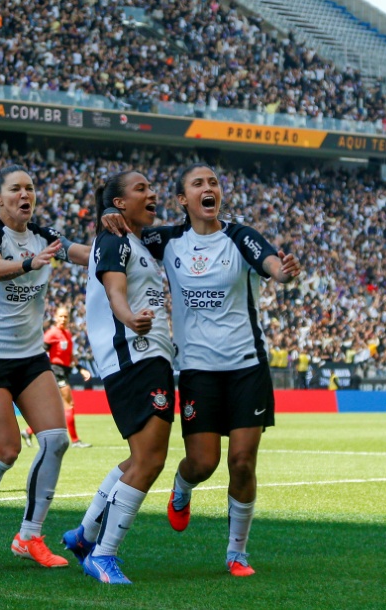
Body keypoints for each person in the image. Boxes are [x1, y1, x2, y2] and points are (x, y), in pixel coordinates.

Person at [104, 162, 301, 576]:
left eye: (213, 182)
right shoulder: (169, 239)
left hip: (247, 366)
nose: (208, 188)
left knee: (243, 462)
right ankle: (181, 488)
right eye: (199, 184)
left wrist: (282, 273)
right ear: (183, 199)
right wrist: (110, 218)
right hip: (197, 370)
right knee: (203, 463)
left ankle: (237, 553)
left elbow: (269, 263)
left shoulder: (239, 236)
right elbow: (126, 241)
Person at [0, 165, 92, 570]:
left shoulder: (44, 236)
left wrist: (118, 245)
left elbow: (81, 252)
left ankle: (29, 535)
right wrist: (32, 264)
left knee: (56, 439)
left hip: (29, 357)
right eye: (16, 188)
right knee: (7, 450)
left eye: (30, 188)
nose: (25, 194)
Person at [63, 171, 175, 585]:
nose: (152, 193)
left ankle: (84, 535)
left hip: (148, 357)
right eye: (141, 189)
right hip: (134, 357)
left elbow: (81, 255)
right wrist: (131, 319)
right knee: (150, 460)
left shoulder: (134, 240)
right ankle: (103, 555)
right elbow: (113, 292)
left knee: (138, 458)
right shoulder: (114, 240)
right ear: (119, 203)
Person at [21, 306, 90, 449]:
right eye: (61, 316)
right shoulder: (52, 334)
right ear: (55, 317)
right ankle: (76, 441)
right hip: (56, 371)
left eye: (66, 317)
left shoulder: (68, 334)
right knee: (68, 404)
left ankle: (28, 432)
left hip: (64, 371)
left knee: (51, 408)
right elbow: (39, 351)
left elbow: (71, 356)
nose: (63, 319)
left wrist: (81, 369)